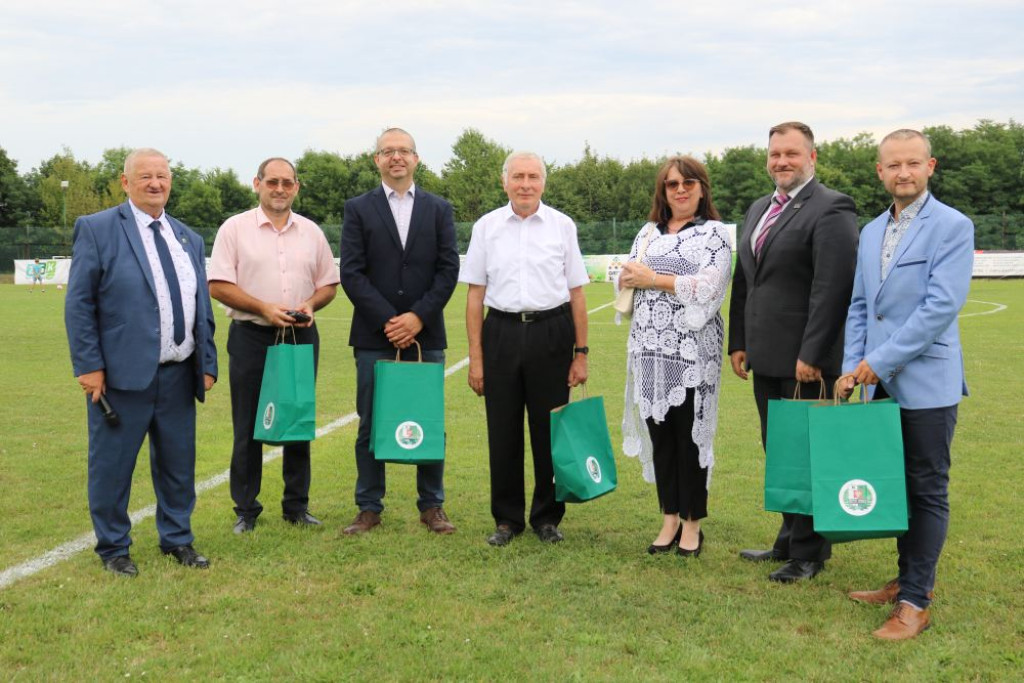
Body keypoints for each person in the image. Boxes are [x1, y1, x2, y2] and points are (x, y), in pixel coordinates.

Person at [841, 129, 974, 640]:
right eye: (893, 165)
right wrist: (855, 365)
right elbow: (859, 305)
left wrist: (879, 360)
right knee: (898, 486)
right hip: (877, 384)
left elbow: (939, 308)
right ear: (880, 171)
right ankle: (906, 581)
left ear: (930, 166)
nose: (903, 173)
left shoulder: (952, 226)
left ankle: (916, 602)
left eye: (913, 164)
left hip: (927, 382)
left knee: (927, 489)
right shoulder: (871, 230)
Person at [64, 148, 218, 577]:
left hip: (177, 375)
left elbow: (199, 305)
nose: (155, 183)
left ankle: (177, 539)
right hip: (120, 378)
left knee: (177, 465)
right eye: (145, 176)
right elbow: (79, 304)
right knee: (112, 467)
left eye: (162, 176)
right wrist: (89, 365)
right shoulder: (97, 230)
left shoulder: (188, 236)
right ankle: (114, 547)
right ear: (125, 182)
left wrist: (206, 362)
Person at [727, 122, 859, 583]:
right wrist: (739, 341)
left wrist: (814, 353)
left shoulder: (832, 208)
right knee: (780, 451)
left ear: (812, 157)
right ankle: (787, 538)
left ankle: (809, 554)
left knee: (808, 456)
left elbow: (832, 288)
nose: (781, 161)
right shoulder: (759, 208)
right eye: (774, 153)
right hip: (765, 356)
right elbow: (745, 280)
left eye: (791, 153)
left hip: (807, 362)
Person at [460, 151, 590, 547]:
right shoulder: (486, 227)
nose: (525, 184)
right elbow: (474, 297)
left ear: (543, 183)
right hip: (500, 331)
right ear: (505, 182)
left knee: (549, 430)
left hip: (552, 331)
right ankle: (507, 519)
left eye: (533, 176)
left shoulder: (562, 226)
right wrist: (476, 358)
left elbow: (577, 292)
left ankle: (547, 517)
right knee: (503, 431)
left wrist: (581, 352)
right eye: (518, 176)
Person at [339, 128, 460, 535]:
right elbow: (351, 272)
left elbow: (448, 270)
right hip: (375, 336)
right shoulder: (357, 208)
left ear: (416, 158)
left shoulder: (439, 208)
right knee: (371, 422)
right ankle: (369, 506)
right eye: (387, 151)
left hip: (426, 335)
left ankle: (432, 505)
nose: (396, 157)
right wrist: (391, 321)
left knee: (429, 419)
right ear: (376, 159)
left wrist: (418, 318)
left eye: (403, 151)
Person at [208, 157, 339, 534]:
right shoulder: (234, 229)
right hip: (252, 335)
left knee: (296, 419)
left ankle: (296, 506)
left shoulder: (311, 231)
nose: (279, 189)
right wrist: (264, 307)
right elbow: (218, 284)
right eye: (272, 182)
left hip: (299, 336)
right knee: (248, 422)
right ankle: (246, 509)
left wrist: (311, 304)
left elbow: (329, 283)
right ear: (257, 184)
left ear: (296, 187)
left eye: (287, 182)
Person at [619, 156, 732, 557]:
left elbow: (709, 287)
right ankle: (668, 517)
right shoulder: (647, 233)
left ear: (702, 188)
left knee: (690, 437)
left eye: (688, 183)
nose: (680, 190)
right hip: (649, 350)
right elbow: (630, 275)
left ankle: (692, 524)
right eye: (671, 184)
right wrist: (636, 277)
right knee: (660, 435)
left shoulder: (714, 235)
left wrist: (654, 279)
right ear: (662, 192)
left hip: (691, 353)